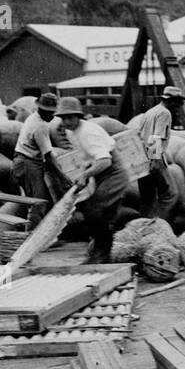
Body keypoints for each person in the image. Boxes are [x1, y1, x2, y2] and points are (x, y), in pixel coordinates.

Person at [53, 97, 131, 262]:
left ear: (78, 116)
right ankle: (101, 254)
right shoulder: (71, 132)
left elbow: (105, 160)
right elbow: (85, 157)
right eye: (63, 118)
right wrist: (81, 175)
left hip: (114, 173)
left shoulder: (88, 132)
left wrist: (85, 176)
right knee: (102, 216)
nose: (66, 121)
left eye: (70, 117)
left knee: (92, 210)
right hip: (100, 173)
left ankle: (101, 255)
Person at [10, 92, 73, 231]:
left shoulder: (33, 118)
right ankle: (31, 237)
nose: (52, 116)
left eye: (53, 113)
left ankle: (43, 233)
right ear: (42, 110)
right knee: (38, 202)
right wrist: (64, 178)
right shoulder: (40, 127)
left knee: (42, 200)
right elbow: (49, 157)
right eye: (50, 113)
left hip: (26, 162)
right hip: (28, 163)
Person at [127, 85, 185, 218]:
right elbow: (157, 136)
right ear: (171, 100)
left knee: (147, 198)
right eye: (177, 102)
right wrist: (155, 160)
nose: (178, 107)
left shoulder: (150, 112)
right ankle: (157, 224)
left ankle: (142, 226)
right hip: (154, 158)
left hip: (142, 159)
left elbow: (139, 134)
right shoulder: (165, 113)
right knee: (170, 194)